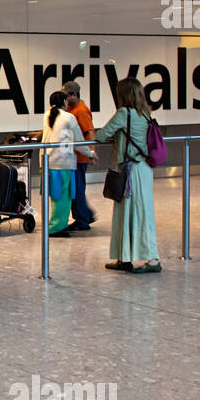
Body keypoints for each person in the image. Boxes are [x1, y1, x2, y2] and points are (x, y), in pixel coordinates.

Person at [93, 78, 161, 273]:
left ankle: (151, 260)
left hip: (130, 171)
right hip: (143, 169)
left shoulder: (124, 113)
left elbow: (102, 134)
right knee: (139, 211)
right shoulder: (146, 114)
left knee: (130, 213)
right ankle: (125, 257)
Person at [41, 90, 83, 237]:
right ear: (64, 101)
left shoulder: (47, 115)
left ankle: (55, 225)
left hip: (48, 161)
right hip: (63, 162)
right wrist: (90, 153)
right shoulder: (69, 117)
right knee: (64, 198)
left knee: (55, 197)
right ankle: (57, 227)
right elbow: (78, 140)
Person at [61, 81, 98, 230]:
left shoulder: (81, 110)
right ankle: (86, 214)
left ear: (74, 94)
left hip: (79, 157)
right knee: (77, 187)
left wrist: (91, 152)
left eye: (66, 95)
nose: (64, 98)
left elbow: (90, 131)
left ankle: (82, 219)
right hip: (73, 155)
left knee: (77, 189)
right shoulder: (71, 108)